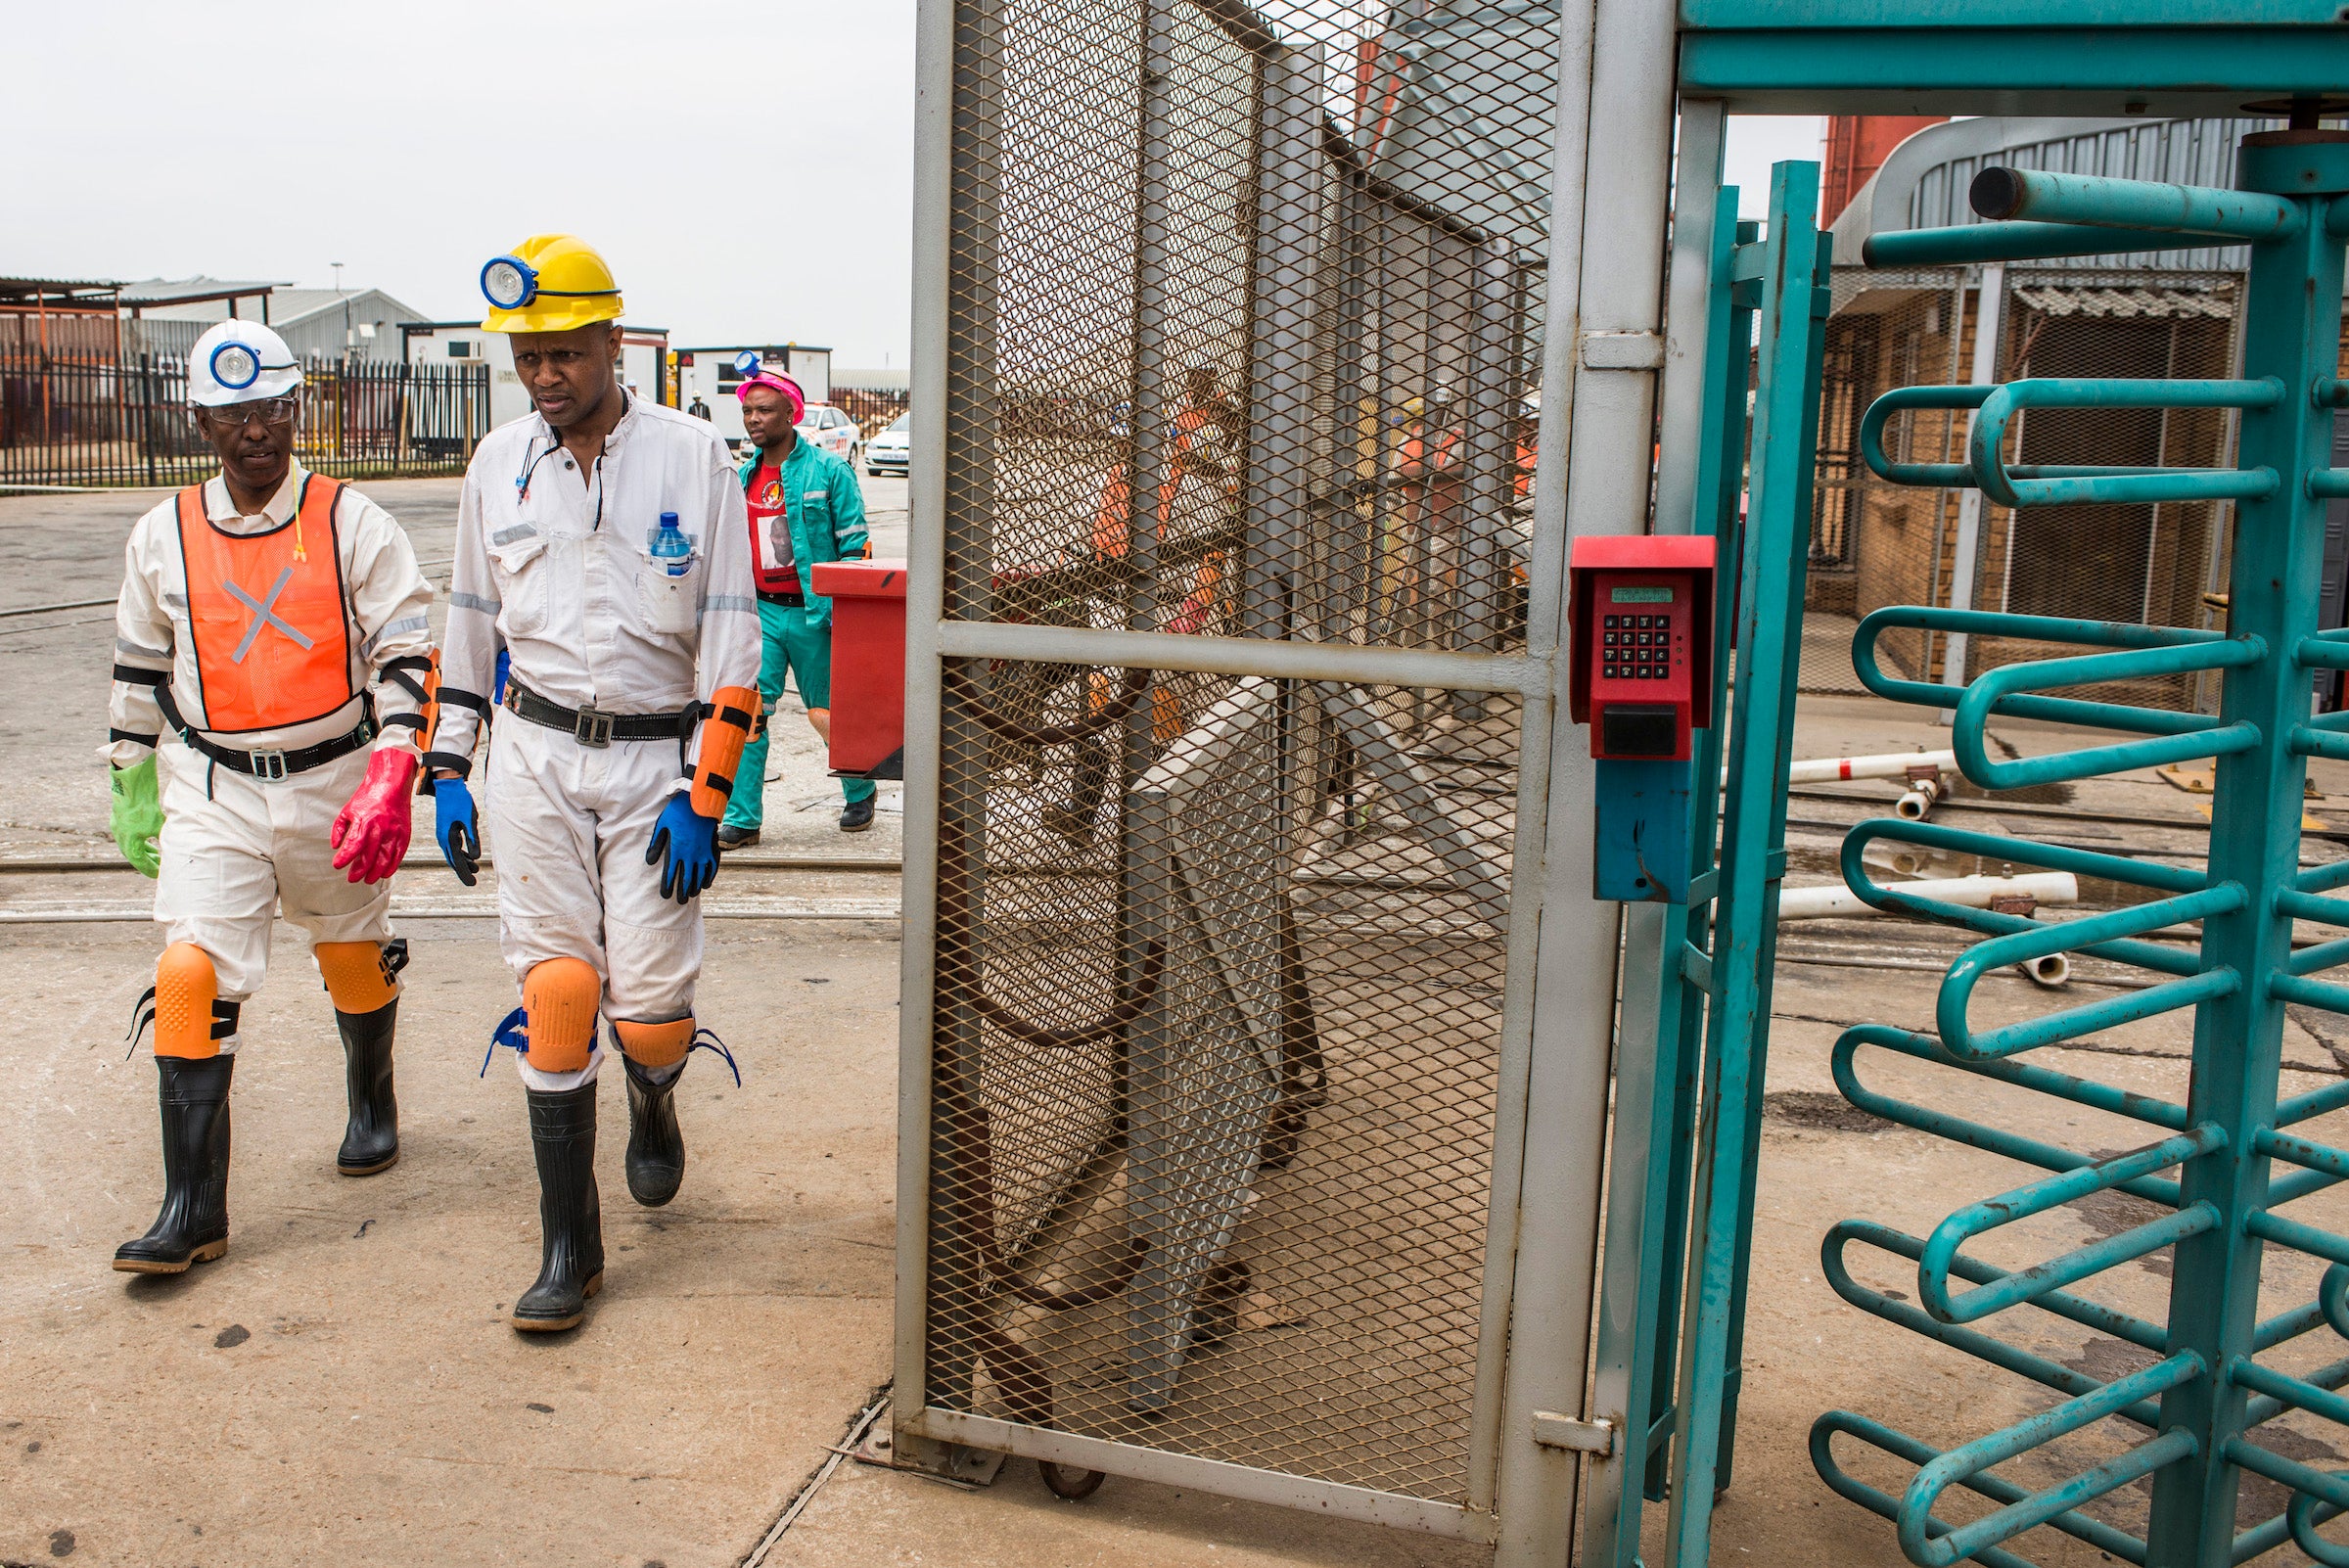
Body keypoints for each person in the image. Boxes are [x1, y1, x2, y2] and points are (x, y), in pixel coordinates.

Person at [428, 234, 760, 1332]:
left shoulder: (696, 458)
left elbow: (729, 630)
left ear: (614, 342)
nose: (545, 377)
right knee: (558, 994)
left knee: (651, 1014)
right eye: (528, 358)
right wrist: (449, 767)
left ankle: (655, 1096)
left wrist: (704, 791)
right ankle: (570, 1250)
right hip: (534, 753)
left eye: (565, 353)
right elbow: (470, 621)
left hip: (655, 763)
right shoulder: (497, 464)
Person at [106, 319, 436, 1275]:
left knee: (351, 954)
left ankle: (371, 1092)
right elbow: (138, 665)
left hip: (335, 776)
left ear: (297, 410)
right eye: (231, 414)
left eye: (270, 409)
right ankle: (190, 1210)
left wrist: (393, 772)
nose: (254, 431)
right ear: (201, 422)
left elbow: (408, 651)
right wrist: (129, 774)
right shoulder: (160, 533)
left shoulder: (351, 521)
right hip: (214, 786)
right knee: (188, 973)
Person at [715, 367, 875, 847]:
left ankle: (859, 788)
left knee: (828, 711)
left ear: (792, 413)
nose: (753, 419)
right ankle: (743, 818)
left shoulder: (829, 471)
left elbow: (855, 545)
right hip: (759, 613)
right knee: (747, 714)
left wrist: (843, 608)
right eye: (747, 410)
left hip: (814, 613)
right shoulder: (740, 476)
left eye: (764, 410)